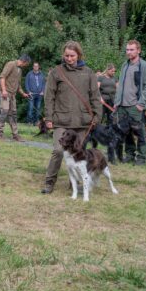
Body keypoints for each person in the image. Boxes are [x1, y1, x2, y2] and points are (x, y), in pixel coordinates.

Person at [41, 41, 102, 194]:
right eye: (66, 55)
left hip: (83, 121)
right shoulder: (56, 72)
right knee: (58, 151)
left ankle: (74, 184)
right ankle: (49, 183)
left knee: (78, 153)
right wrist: (48, 118)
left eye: (72, 56)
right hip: (62, 120)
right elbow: (49, 97)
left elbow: (95, 96)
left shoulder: (89, 73)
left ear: (79, 55)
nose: (69, 58)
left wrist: (97, 116)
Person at [114, 40, 146, 165]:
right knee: (126, 132)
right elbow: (120, 86)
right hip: (122, 106)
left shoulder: (145, 66)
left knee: (140, 133)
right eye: (127, 49)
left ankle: (141, 158)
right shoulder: (124, 65)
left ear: (138, 50)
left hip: (135, 106)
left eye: (132, 49)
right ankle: (130, 155)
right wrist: (117, 101)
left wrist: (141, 104)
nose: (129, 52)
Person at [0, 54, 31, 141]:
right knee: (4, 111)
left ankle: (15, 135)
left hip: (12, 94)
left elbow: (18, 85)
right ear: (24, 61)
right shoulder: (11, 64)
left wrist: (23, 94)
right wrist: (4, 90)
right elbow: (2, 77)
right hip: (5, 92)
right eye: (26, 64)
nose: (26, 66)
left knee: (13, 113)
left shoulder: (20, 70)